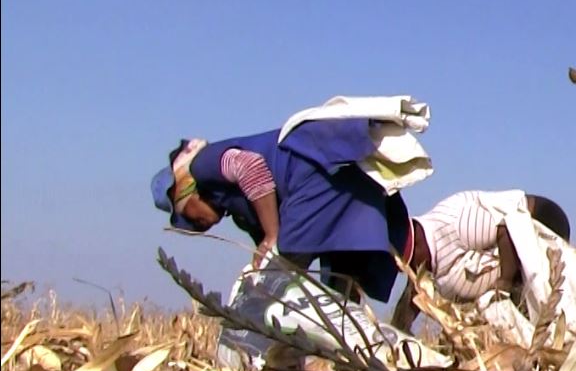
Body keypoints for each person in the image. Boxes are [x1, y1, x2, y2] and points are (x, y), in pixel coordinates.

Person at [149, 118, 411, 303]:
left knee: (274, 287)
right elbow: (263, 248)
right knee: (339, 289)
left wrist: (273, 235)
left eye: (190, 217)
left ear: (185, 192)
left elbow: (249, 167)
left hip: (313, 177)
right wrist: (264, 250)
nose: (199, 225)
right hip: (338, 179)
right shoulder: (239, 209)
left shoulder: (203, 165)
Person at [392, 190, 572, 331]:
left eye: (412, 264)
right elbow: (412, 298)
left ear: (419, 246)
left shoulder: (456, 222)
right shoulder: (426, 266)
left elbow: (506, 227)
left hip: (542, 221)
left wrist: (504, 286)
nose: (413, 272)